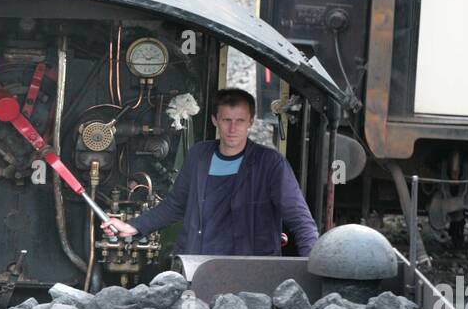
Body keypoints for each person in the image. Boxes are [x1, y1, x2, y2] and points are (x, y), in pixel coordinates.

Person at [104, 88, 318, 257]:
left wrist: (315, 263)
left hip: (252, 273)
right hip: (199, 266)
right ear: (215, 120)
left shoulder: (270, 164)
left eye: (240, 121)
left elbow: (300, 219)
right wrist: (133, 226)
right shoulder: (199, 156)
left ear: (250, 122)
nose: (233, 128)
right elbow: (175, 206)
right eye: (226, 120)